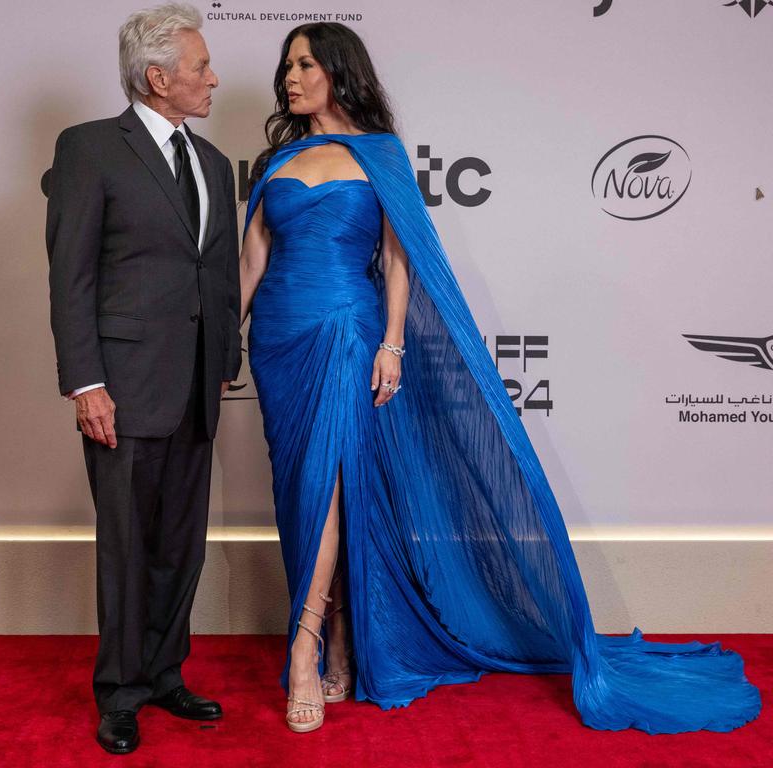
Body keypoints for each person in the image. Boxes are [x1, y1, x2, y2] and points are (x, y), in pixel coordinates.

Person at [239, 22, 761, 735]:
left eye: (304, 63)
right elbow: (252, 262)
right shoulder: (278, 161)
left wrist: (392, 344)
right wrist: (219, 349)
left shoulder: (381, 156)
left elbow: (398, 260)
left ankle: (305, 647)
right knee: (300, 488)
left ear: (338, 70)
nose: (290, 76)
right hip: (278, 339)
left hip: (348, 332)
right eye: (286, 65)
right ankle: (341, 637)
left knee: (330, 479)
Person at [45, 3, 240, 755]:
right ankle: (120, 691)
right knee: (126, 545)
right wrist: (85, 382)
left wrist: (221, 367)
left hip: (194, 388)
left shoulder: (215, 164)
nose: (212, 77)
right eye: (200, 67)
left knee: (179, 546)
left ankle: (164, 675)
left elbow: (217, 278)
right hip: (120, 389)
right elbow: (72, 278)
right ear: (157, 77)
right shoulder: (91, 149)